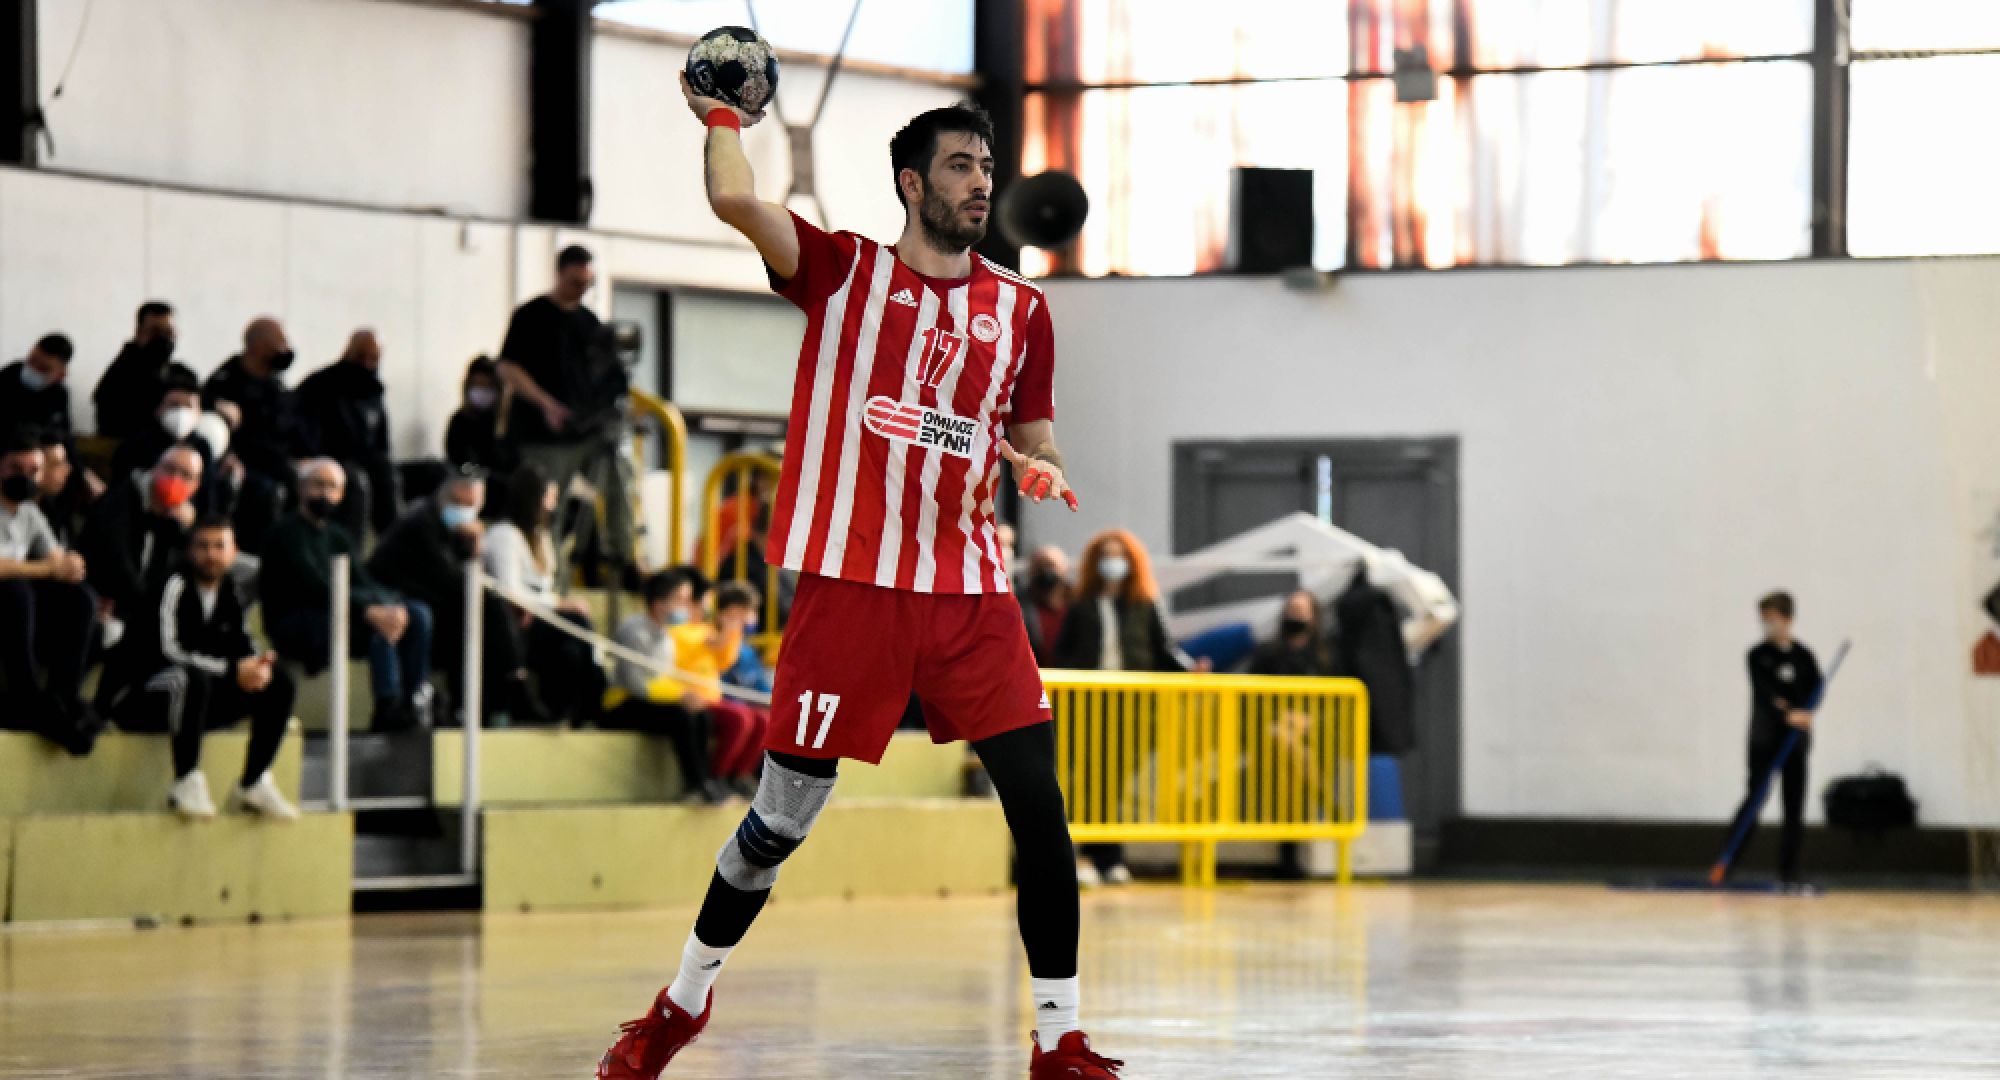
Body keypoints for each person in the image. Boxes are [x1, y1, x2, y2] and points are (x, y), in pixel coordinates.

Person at [594, 89, 1120, 1080]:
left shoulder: (1021, 308)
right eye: (960, 165)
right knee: (777, 825)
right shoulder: (841, 272)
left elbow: (1034, 431)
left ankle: (1059, 1041)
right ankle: (682, 1002)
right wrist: (722, 119)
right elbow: (734, 202)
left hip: (970, 591)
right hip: (850, 588)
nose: (981, 181)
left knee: (1040, 808)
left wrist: (1040, 465)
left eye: (986, 165)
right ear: (912, 184)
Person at [110, 516, 298, 820]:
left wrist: (257, 667)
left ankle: (253, 782)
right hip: (143, 696)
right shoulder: (172, 586)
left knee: (280, 683)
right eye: (203, 546)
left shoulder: (231, 593)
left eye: (219, 546)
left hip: (198, 700)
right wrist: (232, 671)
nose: (211, 554)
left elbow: (241, 644)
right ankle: (186, 780)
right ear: (189, 550)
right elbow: (168, 651)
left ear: (234, 552)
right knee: (189, 679)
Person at [1052, 529, 1207, 887]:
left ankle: (1108, 858)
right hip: (1089, 704)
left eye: (1119, 555)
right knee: (1088, 779)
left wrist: (1191, 671)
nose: (1113, 562)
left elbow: (1164, 651)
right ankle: (1094, 858)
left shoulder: (1145, 603)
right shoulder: (1081, 604)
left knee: (1115, 780)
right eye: (1106, 555)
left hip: (1132, 706)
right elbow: (1062, 652)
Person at [262, 459, 435, 732]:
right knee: (376, 627)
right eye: (318, 484)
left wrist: (390, 606)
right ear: (301, 487)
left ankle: (413, 700)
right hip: (299, 621)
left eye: (332, 487)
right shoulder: (286, 533)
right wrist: (369, 611)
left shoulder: (338, 535)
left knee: (417, 614)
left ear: (342, 494)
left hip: (341, 613)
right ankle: (387, 705)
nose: (325, 493)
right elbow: (314, 587)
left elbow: (362, 580)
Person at [368, 468, 550, 726]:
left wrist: (474, 549)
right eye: (462, 504)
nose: (468, 513)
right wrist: (475, 551)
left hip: (430, 606)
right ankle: (512, 687)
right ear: (448, 498)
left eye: (474, 507)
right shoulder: (421, 523)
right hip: (396, 602)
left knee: (486, 615)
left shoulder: (450, 529)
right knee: (489, 608)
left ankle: (489, 701)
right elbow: (454, 582)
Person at [496, 245, 637, 577]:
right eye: (575, 282)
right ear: (559, 274)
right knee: (547, 509)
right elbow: (507, 367)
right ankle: (546, 575)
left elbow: (607, 375)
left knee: (620, 475)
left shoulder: (590, 323)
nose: (580, 290)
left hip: (584, 430)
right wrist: (546, 404)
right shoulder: (530, 316)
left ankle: (624, 553)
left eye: (587, 284)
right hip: (543, 434)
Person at [0, 428, 99, 752]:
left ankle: (63, 694)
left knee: (80, 599)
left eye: (33, 470)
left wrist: (71, 565)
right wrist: (48, 569)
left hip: (19, 609)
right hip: (10, 603)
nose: (25, 477)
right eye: (15, 468)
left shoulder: (29, 512)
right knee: (17, 591)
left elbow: (59, 561)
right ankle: (25, 695)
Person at [483, 465, 604, 725]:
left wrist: (553, 604)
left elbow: (543, 586)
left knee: (571, 649)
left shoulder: (540, 537)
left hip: (538, 615)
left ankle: (572, 709)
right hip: (514, 621)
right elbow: (509, 590)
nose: (553, 506)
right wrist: (558, 604)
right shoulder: (504, 535)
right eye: (549, 498)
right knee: (576, 621)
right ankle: (596, 689)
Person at [1718, 591, 1823, 886]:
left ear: (1788, 620)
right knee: (1756, 797)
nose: (1767, 626)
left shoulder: (1804, 656)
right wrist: (1789, 713)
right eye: (1764, 620)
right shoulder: (1757, 655)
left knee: (1794, 804)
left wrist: (1807, 712)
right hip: (1764, 740)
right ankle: (1727, 862)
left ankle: (1789, 871)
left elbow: (1816, 688)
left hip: (1795, 743)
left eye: (1773, 619)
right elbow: (1766, 695)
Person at [82, 443, 202, 696]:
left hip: (143, 609)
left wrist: (188, 533)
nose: (175, 479)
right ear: (155, 468)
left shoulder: (180, 517)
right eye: (170, 469)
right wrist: (151, 609)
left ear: (196, 485)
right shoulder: (120, 503)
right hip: (107, 601)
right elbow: (116, 567)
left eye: (186, 475)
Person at [603, 570, 731, 804]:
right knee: (681, 716)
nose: (686, 606)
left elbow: (664, 678)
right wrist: (680, 695)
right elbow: (636, 684)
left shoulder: (665, 633)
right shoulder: (634, 630)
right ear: (659, 604)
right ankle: (694, 785)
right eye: (680, 599)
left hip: (650, 700)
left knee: (702, 715)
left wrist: (686, 695)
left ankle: (707, 780)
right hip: (622, 703)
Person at [1247, 589, 1343, 879]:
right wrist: (1280, 720)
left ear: (1314, 617)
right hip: (1271, 740)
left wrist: (1309, 721)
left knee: (1288, 761)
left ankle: (1289, 856)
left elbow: (1338, 702)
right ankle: (1323, 795)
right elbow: (1251, 698)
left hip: (1313, 741)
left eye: (1301, 611)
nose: (1295, 616)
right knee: (1282, 741)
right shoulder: (1268, 654)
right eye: (1291, 610)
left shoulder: (1327, 656)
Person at [203, 317, 308, 553]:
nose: (286, 350)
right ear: (258, 347)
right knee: (267, 493)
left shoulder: (277, 385)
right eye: (279, 344)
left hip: (278, 461)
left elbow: (293, 428)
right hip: (244, 463)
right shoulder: (225, 381)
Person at [296, 329, 401, 537]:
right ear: (348, 353)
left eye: (374, 358)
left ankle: (392, 543)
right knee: (356, 481)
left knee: (387, 473)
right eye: (362, 356)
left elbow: (381, 444)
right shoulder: (320, 385)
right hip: (329, 459)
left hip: (363, 460)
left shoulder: (373, 391)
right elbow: (306, 437)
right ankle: (352, 549)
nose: (368, 364)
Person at [94, 301, 179, 441]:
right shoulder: (120, 375)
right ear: (138, 333)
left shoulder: (175, 372)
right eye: (155, 332)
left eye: (168, 332)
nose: (163, 339)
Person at [444, 356, 516, 482]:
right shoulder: (460, 421)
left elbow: (513, 461)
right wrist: (483, 475)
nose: (483, 391)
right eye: (478, 385)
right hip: (471, 485)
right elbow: (458, 461)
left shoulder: (507, 422)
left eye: (488, 386)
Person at [0, 334, 77, 447]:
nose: (33, 368)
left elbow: (64, 434)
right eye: (31, 361)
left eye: (43, 368)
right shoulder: (9, 374)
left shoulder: (59, 394)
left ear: (60, 374)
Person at [1017, 544, 1072, 666]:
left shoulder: (1077, 604)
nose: (1046, 571)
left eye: (1051, 565)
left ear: (1064, 569)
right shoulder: (1020, 606)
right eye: (1040, 567)